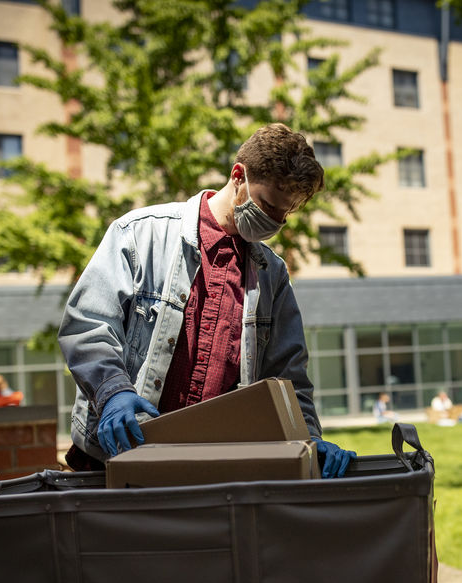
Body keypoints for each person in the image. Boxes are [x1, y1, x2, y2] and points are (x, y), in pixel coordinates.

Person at [58, 123, 356, 478]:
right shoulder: (140, 234)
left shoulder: (271, 276)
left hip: (214, 471)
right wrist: (112, 393)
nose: (275, 221)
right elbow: (88, 324)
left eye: (285, 213)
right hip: (114, 462)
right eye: (267, 205)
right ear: (238, 176)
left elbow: (288, 377)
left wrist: (308, 439)